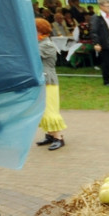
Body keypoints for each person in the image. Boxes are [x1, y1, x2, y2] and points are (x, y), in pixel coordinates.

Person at [34, 18, 67, 151]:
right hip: (40, 80)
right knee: (42, 109)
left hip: (48, 80)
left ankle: (59, 137)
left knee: (50, 109)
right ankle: (50, 135)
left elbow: (32, 56)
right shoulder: (39, 43)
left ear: (41, 30)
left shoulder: (46, 45)